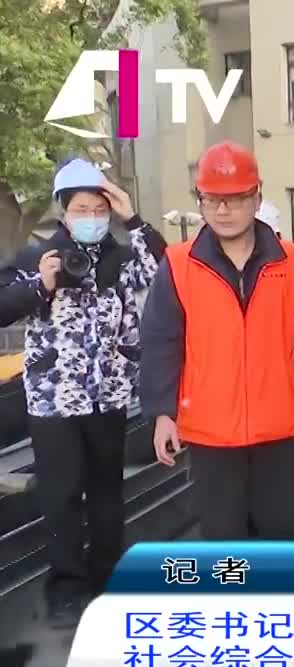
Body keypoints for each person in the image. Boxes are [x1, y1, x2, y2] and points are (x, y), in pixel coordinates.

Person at [140, 141, 294, 541]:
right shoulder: (179, 265)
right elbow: (161, 342)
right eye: (212, 200)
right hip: (209, 429)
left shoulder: (292, 261)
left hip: (280, 426)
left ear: (257, 198)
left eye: (235, 199)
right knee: (223, 536)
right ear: (201, 202)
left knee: (280, 534)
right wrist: (162, 412)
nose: (223, 211)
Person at [0, 159, 165, 627]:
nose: (91, 217)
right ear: (63, 212)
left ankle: (110, 576)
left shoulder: (122, 258)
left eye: (99, 208)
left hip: (108, 397)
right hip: (53, 401)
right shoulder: (36, 259)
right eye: (80, 209)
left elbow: (166, 270)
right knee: (62, 494)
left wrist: (133, 217)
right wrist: (41, 285)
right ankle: (68, 586)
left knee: (107, 491)